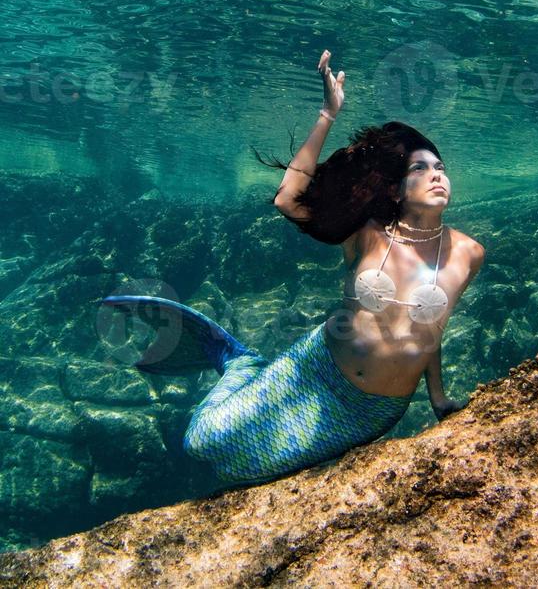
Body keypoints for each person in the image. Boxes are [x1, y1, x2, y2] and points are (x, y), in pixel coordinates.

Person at [102, 49, 484, 490]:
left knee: (242, 473)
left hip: (375, 407)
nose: (437, 175)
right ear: (397, 190)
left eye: (441, 168)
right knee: (201, 442)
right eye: (421, 169)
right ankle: (240, 363)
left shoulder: (468, 252)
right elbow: (288, 199)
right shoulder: (370, 234)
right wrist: (327, 113)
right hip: (317, 368)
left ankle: (243, 368)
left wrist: (438, 399)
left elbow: (432, 331)